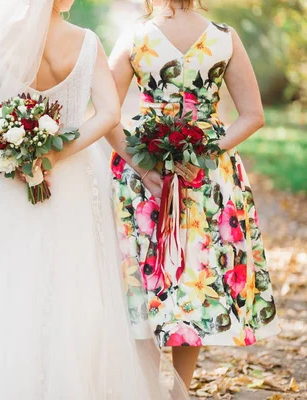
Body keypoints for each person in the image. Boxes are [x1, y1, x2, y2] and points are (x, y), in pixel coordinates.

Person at [0, 0, 188, 399]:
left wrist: (3, 148)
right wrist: (59, 152)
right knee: (75, 285)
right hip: (73, 179)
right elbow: (109, 113)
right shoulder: (86, 42)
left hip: (6, 183)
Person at [107, 0, 281, 390]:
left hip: (145, 172)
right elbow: (253, 114)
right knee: (194, 277)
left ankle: (148, 387)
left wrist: (144, 167)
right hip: (209, 178)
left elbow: (106, 115)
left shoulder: (134, 36)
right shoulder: (224, 37)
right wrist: (204, 154)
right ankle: (179, 391)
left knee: (143, 279)